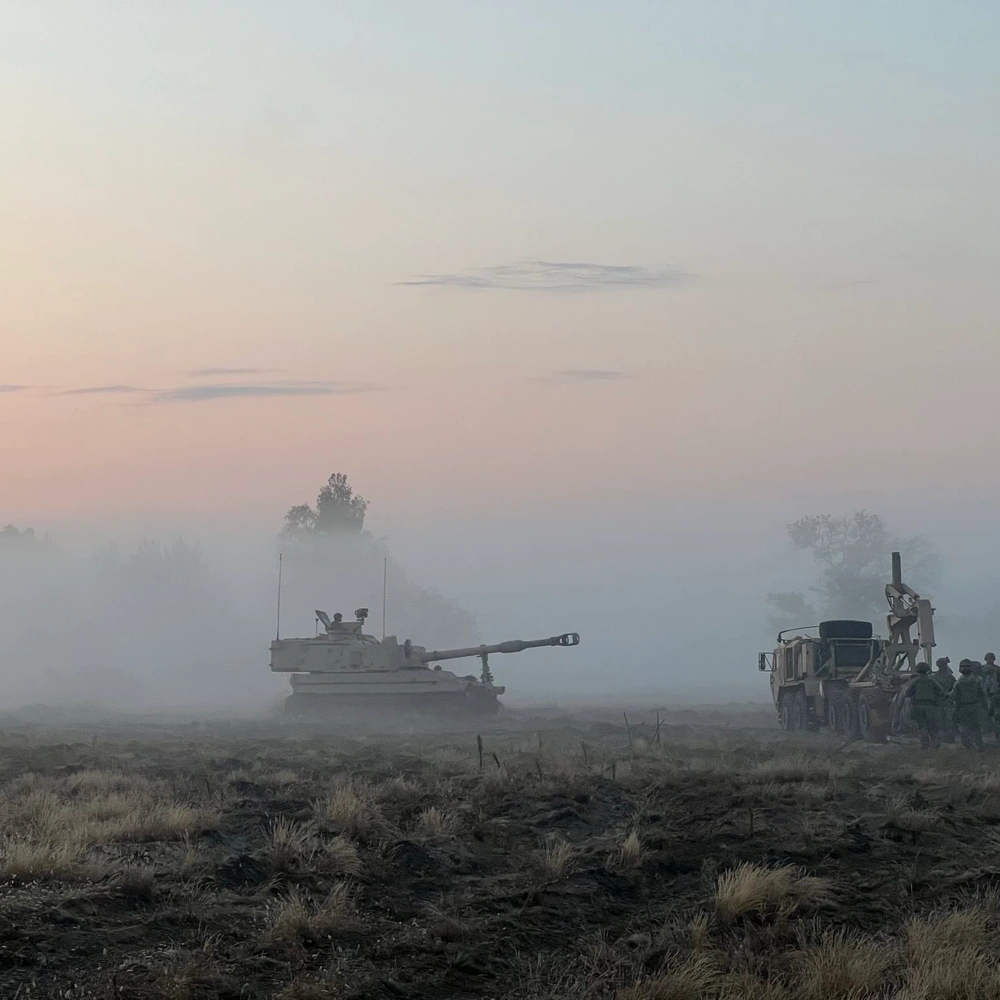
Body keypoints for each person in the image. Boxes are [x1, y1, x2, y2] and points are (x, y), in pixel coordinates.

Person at [902, 662, 944, 749]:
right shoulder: (932, 681)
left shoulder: (914, 681)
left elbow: (906, 693)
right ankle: (935, 744)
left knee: (922, 727)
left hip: (918, 707)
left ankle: (925, 746)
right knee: (932, 727)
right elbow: (941, 692)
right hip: (931, 707)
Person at [953, 659, 988, 751]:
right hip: (974, 707)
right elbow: (982, 695)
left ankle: (972, 746)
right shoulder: (977, 681)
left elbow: (953, 696)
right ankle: (979, 747)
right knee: (976, 728)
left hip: (964, 707)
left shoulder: (958, 683)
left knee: (965, 728)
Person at [934, 657, 956, 741]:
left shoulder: (950, 677)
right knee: (938, 718)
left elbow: (955, 688)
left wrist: (949, 694)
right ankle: (940, 736)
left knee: (949, 719)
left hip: (948, 701)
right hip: (938, 701)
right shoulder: (934, 676)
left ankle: (950, 736)